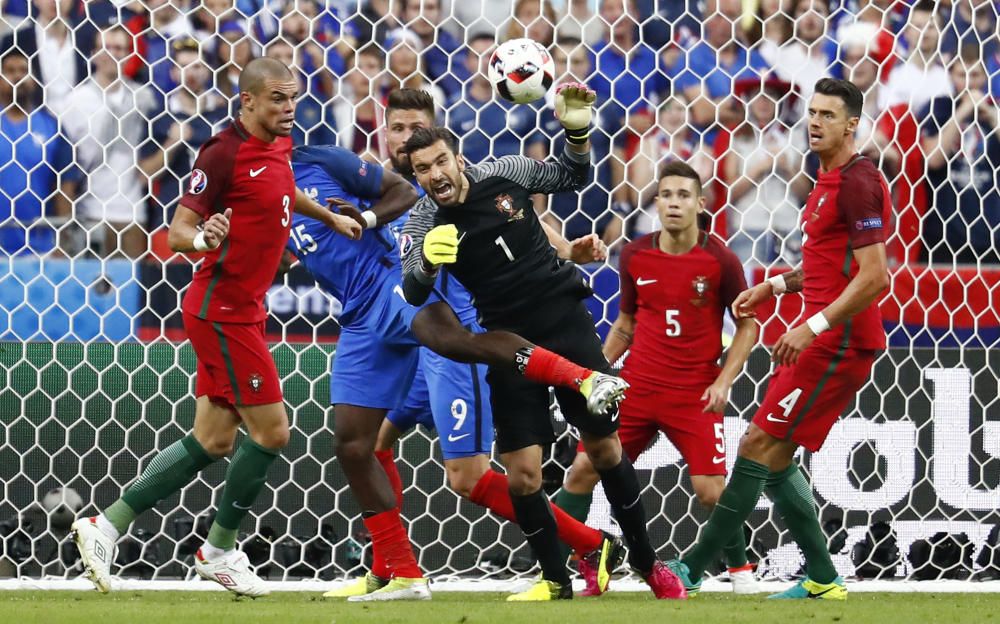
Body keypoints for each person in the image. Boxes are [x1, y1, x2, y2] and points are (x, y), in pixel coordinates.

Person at [285, 89, 628, 602]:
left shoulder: (430, 186)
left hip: (451, 334)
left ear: (444, 145)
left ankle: (589, 543)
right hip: (396, 330)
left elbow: (516, 221)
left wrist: (567, 249)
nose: (405, 141)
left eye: (416, 132)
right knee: (369, 443)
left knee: (466, 477)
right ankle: (392, 567)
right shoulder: (383, 186)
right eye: (396, 130)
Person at [71, 57, 363, 598]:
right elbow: (179, 231)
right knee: (272, 432)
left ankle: (104, 524)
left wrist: (329, 216)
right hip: (221, 310)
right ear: (247, 100)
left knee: (211, 440)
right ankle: (218, 550)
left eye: (293, 97)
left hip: (241, 309)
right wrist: (206, 238)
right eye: (278, 98)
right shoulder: (221, 152)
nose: (289, 107)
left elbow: (279, 192)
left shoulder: (278, 145)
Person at [399, 85, 687, 601]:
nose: (435, 174)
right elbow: (413, 290)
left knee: (604, 448)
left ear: (457, 157)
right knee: (524, 474)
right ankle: (555, 581)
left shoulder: (506, 172)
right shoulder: (423, 221)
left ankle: (648, 564)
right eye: (423, 169)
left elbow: (573, 175)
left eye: (440, 160)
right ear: (415, 175)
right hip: (509, 344)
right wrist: (427, 260)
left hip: (564, 322)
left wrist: (577, 130)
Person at [665, 78, 892, 601]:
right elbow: (827, 266)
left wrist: (811, 325)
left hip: (837, 345)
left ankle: (693, 568)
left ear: (852, 124)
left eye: (828, 115)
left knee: (758, 445)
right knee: (774, 455)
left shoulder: (859, 181)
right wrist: (774, 284)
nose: (815, 122)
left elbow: (875, 276)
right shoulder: (825, 179)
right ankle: (823, 578)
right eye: (811, 113)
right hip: (820, 340)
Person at [554, 161, 761, 595]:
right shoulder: (634, 253)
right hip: (638, 389)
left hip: (694, 394)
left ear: (700, 205)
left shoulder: (720, 259)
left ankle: (741, 571)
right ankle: (554, 566)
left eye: (683, 195)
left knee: (710, 491)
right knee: (582, 470)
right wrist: (594, 373)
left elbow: (748, 325)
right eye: (666, 194)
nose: (673, 203)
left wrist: (724, 380)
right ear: (657, 201)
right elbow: (626, 323)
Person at [0, 47, 76, 256]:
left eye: (24, 70)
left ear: (33, 79)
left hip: (40, 247)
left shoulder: (51, 126)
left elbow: (65, 183)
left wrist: (63, 239)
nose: (17, 76)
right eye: (10, 70)